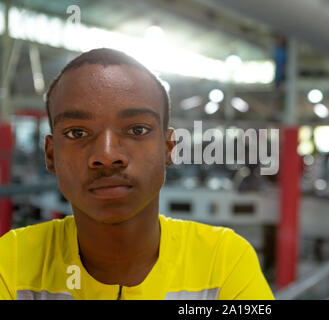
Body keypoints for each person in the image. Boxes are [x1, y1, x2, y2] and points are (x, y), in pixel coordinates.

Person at [0, 48, 274, 300]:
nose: (107, 156)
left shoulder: (222, 260)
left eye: (137, 130)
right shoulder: (10, 262)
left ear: (168, 149)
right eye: (77, 133)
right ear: (51, 155)